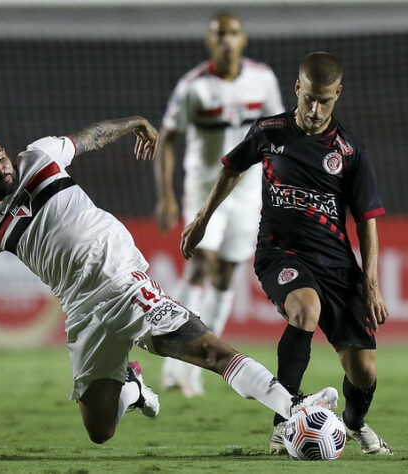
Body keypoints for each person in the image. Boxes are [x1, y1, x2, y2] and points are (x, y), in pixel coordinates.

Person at [0, 116, 338, 445]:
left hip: (122, 281)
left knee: (207, 350)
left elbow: (89, 137)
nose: (0, 166)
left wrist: (133, 126)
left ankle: (293, 412)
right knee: (100, 431)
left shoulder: (39, 156)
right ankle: (133, 385)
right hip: (81, 309)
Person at [180, 52, 392, 455]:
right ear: (298, 88)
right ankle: (283, 424)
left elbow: (367, 219)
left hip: (337, 265)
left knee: (363, 371)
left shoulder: (350, 152)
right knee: (304, 310)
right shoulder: (270, 131)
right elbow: (231, 168)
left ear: (338, 95)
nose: (314, 109)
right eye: (309, 97)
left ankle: (354, 423)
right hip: (280, 254)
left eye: (325, 101)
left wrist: (371, 284)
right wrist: (202, 220)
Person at [154, 13, 284, 397]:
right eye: (219, 35)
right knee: (200, 267)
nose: (227, 40)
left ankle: (198, 365)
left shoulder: (263, 79)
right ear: (210, 43)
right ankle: (172, 363)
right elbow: (168, 139)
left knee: (226, 274)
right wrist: (166, 195)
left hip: (247, 190)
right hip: (205, 187)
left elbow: (280, 131)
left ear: (243, 40)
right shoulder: (193, 86)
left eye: (233, 33)